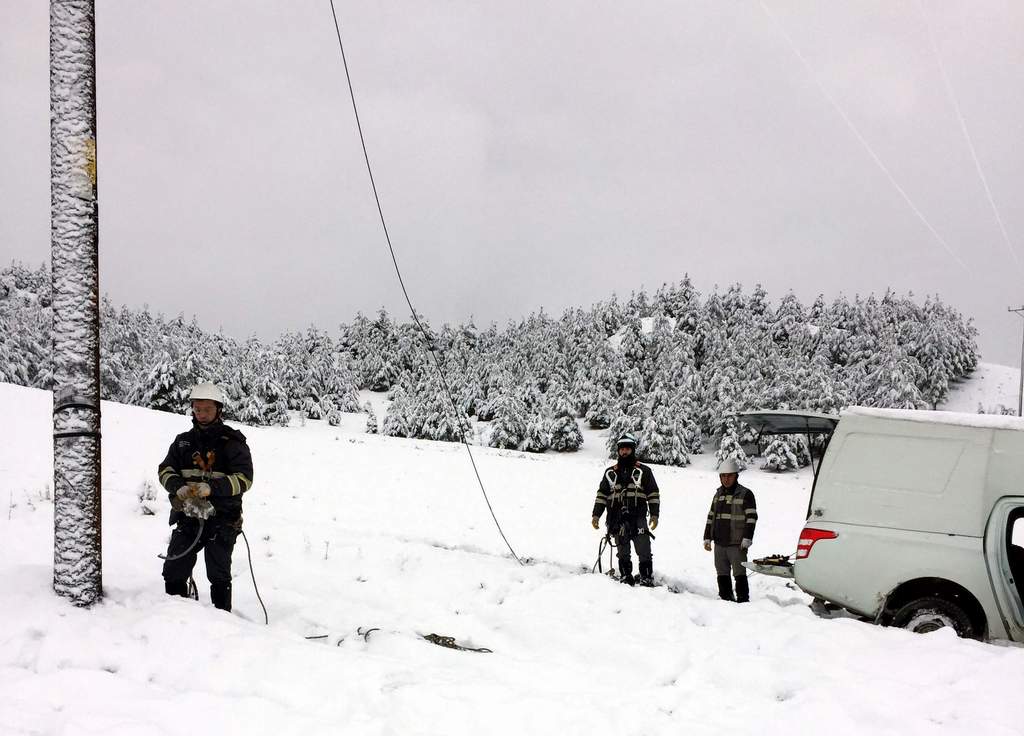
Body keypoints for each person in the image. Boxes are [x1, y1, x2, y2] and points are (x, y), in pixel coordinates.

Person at [158, 382, 254, 611]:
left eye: (207, 409)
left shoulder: (233, 443)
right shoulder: (182, 441)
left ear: (219, 410)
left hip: (223, 519)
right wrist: (176, 486)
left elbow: (245, 479)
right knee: (174, 568)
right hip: (189, 515)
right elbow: (165, 470)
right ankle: (176, 615)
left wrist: (213, 488)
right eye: (197, 409)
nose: (201, 414)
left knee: (218, 573)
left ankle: (223, 622)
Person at [591, 433, 660, 586]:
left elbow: (653, 494)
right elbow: (602, 495)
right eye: (622, 449)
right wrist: (596, 515)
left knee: (643, 549)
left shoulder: (644, 471)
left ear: (633, 450)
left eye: (627, 449)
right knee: (622, 550)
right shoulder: (610, 473)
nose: (624, 452)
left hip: (638, 516)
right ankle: (625, 576)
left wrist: (654, 515)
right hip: (616, 518)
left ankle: (646, 577)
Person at [703, 457, 757, 602]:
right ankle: (726, 599)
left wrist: (747, 537)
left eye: (729, 476)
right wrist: (707, 537)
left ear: (736, 476)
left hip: (737, 544)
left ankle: (743, 600)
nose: (726, 479)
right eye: (723, 476)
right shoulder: (718, 494)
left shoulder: (746, 494)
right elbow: (711, 517)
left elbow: (752, 518)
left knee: (739, 574)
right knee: (722, 574)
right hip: (719, 544)